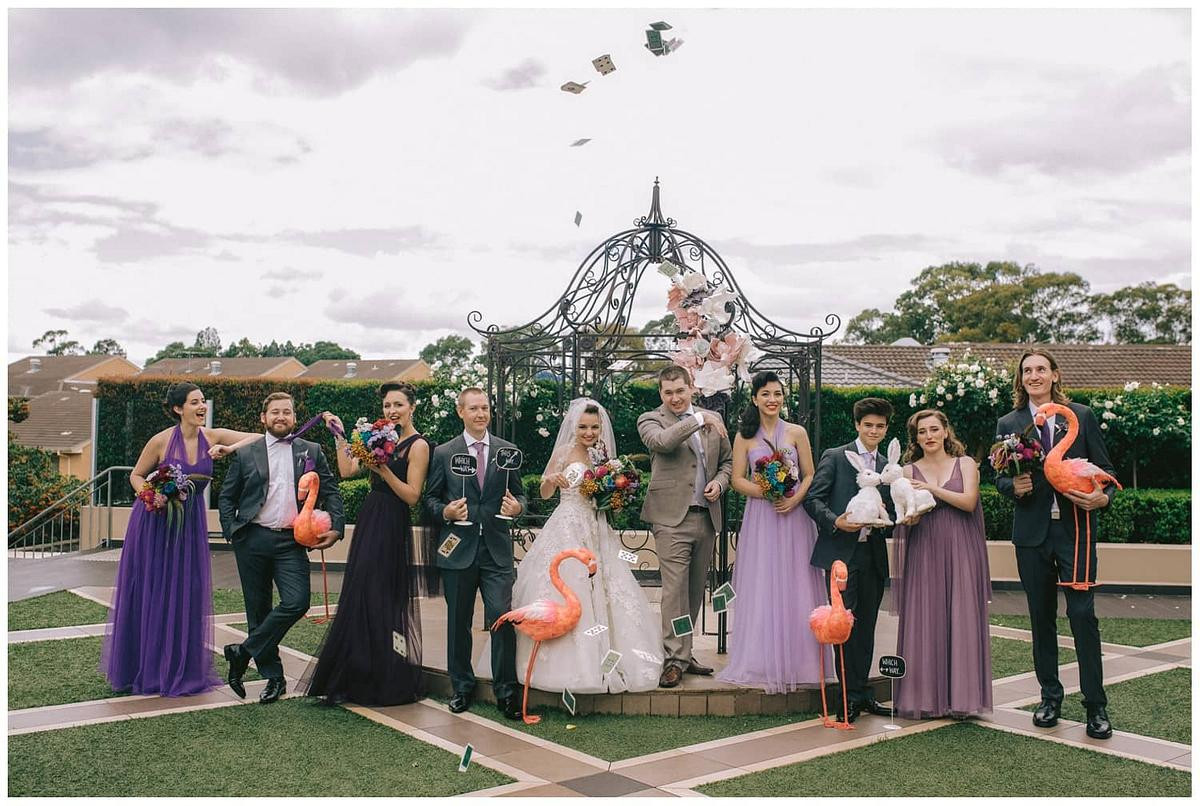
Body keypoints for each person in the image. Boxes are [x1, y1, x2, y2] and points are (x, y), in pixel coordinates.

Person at [475, 398, 661, 693]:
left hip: (596, 527)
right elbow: (545, 492)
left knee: (607, 588)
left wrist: (614, 494)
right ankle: (558, 666)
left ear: (601, 428)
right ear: (574, 427)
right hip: (567, 526)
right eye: (583, 427)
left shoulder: (605, 455)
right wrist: (552, 479)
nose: (589, 433)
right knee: (568, 586)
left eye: (594, 427)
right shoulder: (563, 452)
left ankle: (606, 660)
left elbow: (611, 494)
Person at [101, 382, 263, 697]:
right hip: (154, 523)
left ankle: (178, 667)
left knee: (184, 592)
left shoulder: (212, 437)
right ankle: (146, 668)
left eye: (203, 401)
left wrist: (229, 449)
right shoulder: (160, 441)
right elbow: (136, 475)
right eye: (194, 402)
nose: (202, 407)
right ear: (178, 409)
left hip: (189, 525)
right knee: (153, 590)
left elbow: (260, 438)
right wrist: (152, 495)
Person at [995, 347, 1116, 739]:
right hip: (1031, 536)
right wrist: (1012, 486)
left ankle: (1096, 706)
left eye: (1041, 369)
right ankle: (1050, 698)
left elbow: (1106, 470)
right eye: (1027, 370)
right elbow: (997, 476)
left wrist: (1103, 499)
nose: (1034, 375)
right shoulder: (1009, 423)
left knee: (1083, 616)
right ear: (1021, 378)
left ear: (1054, 375)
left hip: (1075, 533)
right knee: (1040, 617)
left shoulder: (1080, 416)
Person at [297, 383, 432, 705]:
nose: (392, 411)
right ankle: (354, 674)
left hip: (393, 520)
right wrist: (340, 435)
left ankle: (383, 675)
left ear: (412, 407)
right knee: (360, 591)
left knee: (382, 594)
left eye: (398, 404)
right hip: (371, 517)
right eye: (387, 405)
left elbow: (412, 495)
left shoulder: (419, 445)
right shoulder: (375, 436)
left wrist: (382, 470)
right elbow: (347, 470)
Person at [217, 392, 344, 704]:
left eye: (287, 412)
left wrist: (337, 528)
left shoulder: (311, 450)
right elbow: (227, 496)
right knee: (258, 610)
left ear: (294, 418)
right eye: (275, 412)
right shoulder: (246, 452)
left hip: (291, 541)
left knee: (297, 601)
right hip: (253, 538)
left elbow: (331, 490)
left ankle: (242, 652)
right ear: (264, 418)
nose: (281, 417)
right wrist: (232, 531)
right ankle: (274, 678)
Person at [717, 371, 832, 693]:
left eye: (777, 394)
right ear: (755, 399)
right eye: (766, 394)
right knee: (763, 582)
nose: (772, 399)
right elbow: (737, 479)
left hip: (794, 517)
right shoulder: (744, 436)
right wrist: (766, 491)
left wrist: (794, 499)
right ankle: (761, 659)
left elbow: (809, 474)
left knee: (797, 580)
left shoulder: (797, 432)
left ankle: (801, 661)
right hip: (762, 517)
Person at [423, 387, 527, 719]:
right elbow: (429, 499)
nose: (481, 414)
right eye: (474, 408)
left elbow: (521, 496)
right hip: (458, 551)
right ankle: (462, 688)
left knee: (502, 618)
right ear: (461, 412)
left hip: (496, 551)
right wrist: (446, 512)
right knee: (459, 623)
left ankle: (506, 692)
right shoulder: (444, 453)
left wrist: (517, 507)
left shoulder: (508, 451)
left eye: (485, 408)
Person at [891, 409, 992, 719]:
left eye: (934, 429)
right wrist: (910, 517)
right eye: (922, 432)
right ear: (916, 438)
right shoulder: (908, 471)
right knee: (926, 616)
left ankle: (962, 698)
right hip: (925, 547)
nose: (929, 436)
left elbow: (969, 502)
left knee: (962, 616)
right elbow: (906, 512)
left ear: (946, 431)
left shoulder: (965, 464)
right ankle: (925, 698)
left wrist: (932, 490)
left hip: (961, 547)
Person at [637, 366, 733, 689]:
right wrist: (699, 419)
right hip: (670, 520)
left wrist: (720, 483)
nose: (675, 398)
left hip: (706, 517)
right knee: (675, 591)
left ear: (691, 387)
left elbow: (727, 463)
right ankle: (673, 658)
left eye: (680, 391)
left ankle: (684, 652)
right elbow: (663, 442)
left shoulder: (713, 420)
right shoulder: (651, 420)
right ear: (660, 394)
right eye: (668, 392)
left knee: (693, 592)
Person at [803, 397, 897, 722]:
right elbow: (813, 499)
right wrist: (836, 522)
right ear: (857, 425)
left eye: (880, 426)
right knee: (842, 627)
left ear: (886, 429)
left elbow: (892, 508)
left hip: (873, 555)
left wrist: (893, 515)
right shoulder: (836, 456)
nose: (873, 431)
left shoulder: (887, 465)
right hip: (841, 556)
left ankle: (862, 691)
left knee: (867, 626)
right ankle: (847, 698)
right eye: (868, 425)